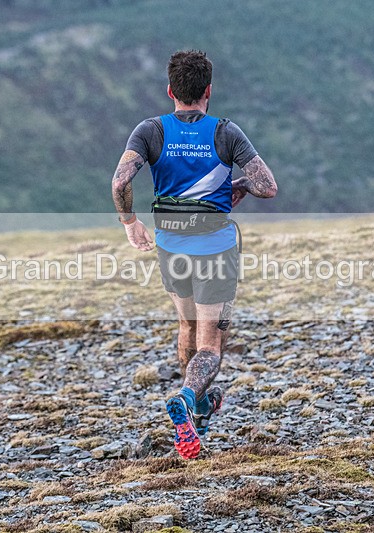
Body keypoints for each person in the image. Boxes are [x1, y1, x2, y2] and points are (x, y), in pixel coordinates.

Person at [111, 50, 277, 459]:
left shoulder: (150, 130)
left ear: (171, 91)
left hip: (170, 247)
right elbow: (268, 185)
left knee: (186, 326)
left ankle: (201, 407)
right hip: (215, 249)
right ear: (208, 91)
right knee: (210, 345)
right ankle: (186, 398)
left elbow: (120, 182)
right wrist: (235, 184)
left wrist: (130, 222)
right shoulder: (225, 132)